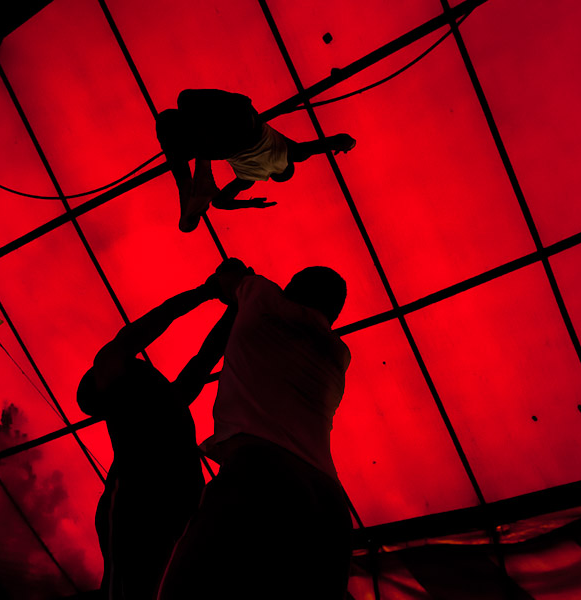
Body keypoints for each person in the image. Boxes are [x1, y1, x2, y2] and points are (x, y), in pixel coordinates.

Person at [157, 259, 354, 600]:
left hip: (263, 474)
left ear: (290, 289)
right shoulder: (339, 352)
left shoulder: (261, 295)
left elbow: (230, 278)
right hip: (331, 507)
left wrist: (221, 279)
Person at [76, 274, 236, 600]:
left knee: (161, 585)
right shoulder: (141, 390)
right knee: (137, 587)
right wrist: (212, 293)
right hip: (143, 501)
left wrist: (229, 306)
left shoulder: (163, 400)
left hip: (174, 499)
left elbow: (201, 360)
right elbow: (160, 325)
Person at [156, 88, 356, 232]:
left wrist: (347, 145)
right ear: (273, 177)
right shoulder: (249, 178)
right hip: (219, 146)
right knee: (167, 122)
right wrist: (249, 205)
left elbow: (332, 142)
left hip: (244, 121)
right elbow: (220, 202)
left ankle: (190, 179)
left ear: (286, 169)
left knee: (185, 99)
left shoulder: (291, 154)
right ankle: (186, 181)